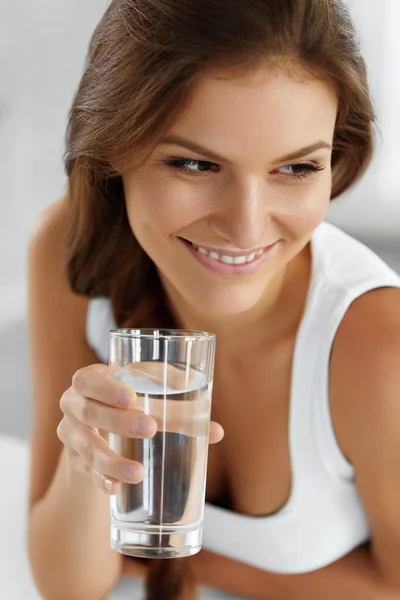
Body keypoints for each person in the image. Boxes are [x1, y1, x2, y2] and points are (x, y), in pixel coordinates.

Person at [26, 0, 400, 599]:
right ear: (113, 152)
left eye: (297, 168)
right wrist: (84, 463)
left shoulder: (379, 345)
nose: (247, 229)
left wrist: (180, 564)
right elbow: (68, 586)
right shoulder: (67, 254)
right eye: (195, 163)